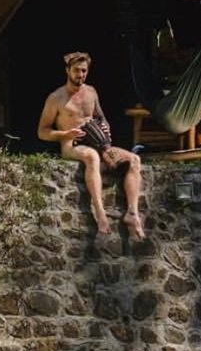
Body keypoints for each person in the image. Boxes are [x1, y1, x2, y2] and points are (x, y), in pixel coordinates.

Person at [37, 50, 145, 240]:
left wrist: (105, 126)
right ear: (67, 70)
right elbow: (42, 132)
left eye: (84, 71)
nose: (81, 75)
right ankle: (100, 213)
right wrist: (65, 134)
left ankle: (132, 213)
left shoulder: (91, 91)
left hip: (99, 143)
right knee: (92, 157)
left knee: (135, 159)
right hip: (73, 144)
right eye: (77, 70)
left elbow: (100, 117)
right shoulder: (56, 98)